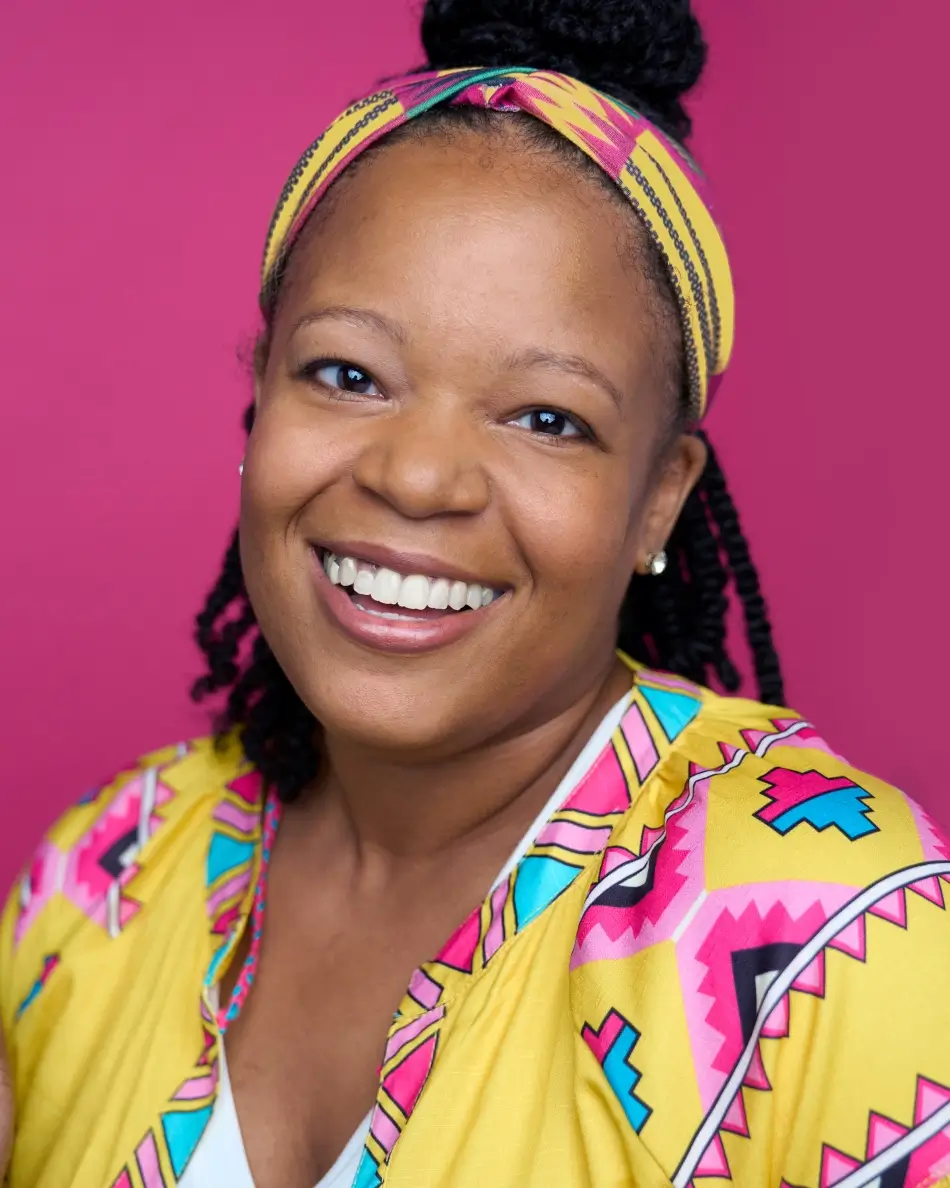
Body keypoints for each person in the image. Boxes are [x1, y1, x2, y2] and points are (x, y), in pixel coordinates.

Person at [4, 0, 950, 1185]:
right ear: (259, 403)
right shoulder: (105, 874)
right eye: (347, 374)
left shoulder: (829, 930)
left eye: (547, 418)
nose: (414, 475)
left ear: (657, 497)